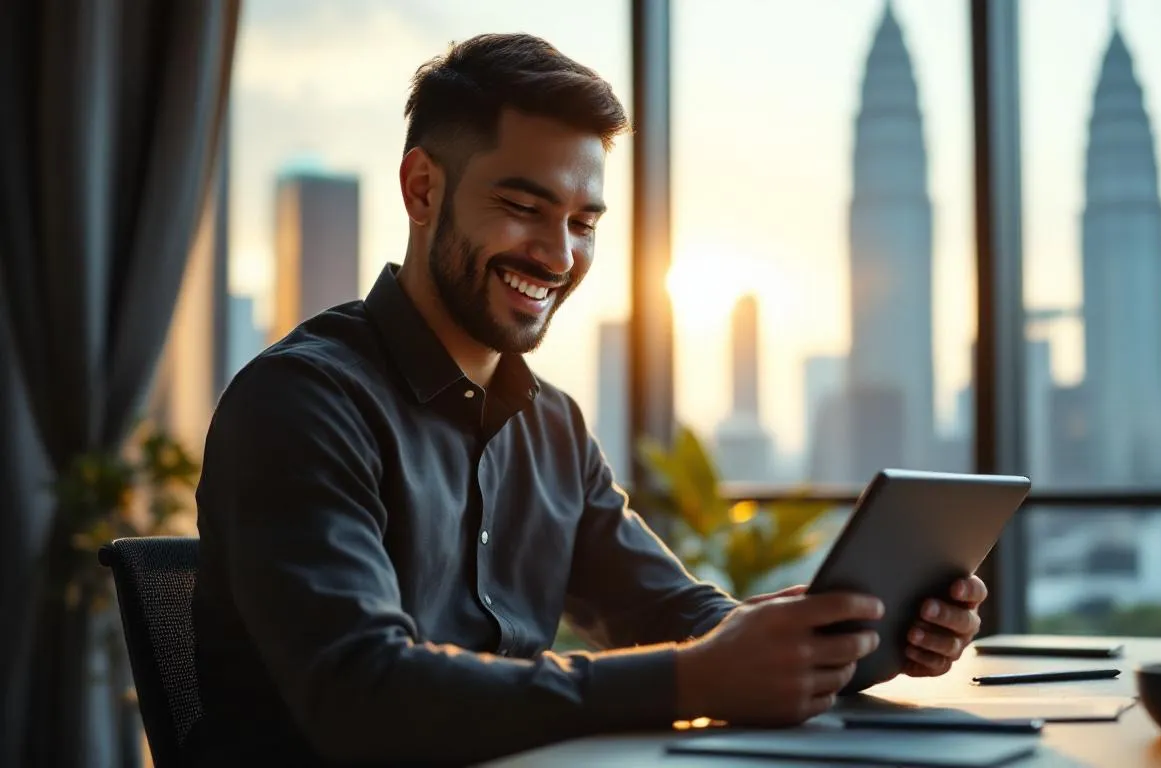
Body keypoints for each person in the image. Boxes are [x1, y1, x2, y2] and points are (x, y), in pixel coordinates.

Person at [188, 33, 987, 766]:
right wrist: (691, 682)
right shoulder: (301, 405)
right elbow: (361, 695)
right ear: (423, 188)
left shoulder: (551, 425)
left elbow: (675, 614)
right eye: (523, 207)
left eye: (583, 221)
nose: (559, 254)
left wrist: (835, 636)